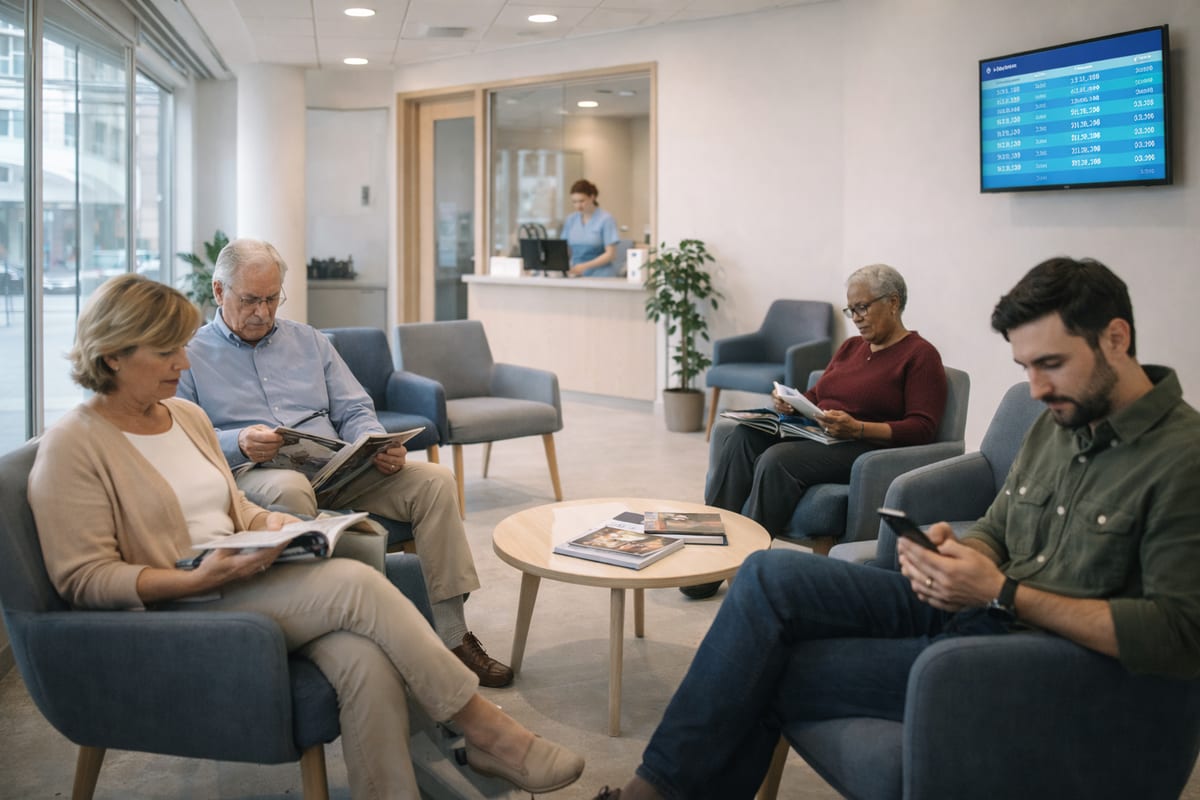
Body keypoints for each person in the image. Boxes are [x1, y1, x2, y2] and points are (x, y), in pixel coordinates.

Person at [590, 256, 1200, 799]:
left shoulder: (1182, 459)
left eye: (1051, 365)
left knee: (769, 666)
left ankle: (654, 793)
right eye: (1025, 367)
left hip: (1029, 653)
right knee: (770, 573)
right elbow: (998, 525)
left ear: (1116, 338)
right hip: (979, 608)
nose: (1035, 389)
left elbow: (1178, 634)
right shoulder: (1056, 424)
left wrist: (1000, 590)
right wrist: (956, 552)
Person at [27, 274, 585, 799]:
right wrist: (194, 576)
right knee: (355, 583)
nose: (183, 359)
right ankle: (488, 733)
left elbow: (235, 504)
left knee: (363, 659)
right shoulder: (74, 445)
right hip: (185, 607)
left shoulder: (182, 417)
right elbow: (85, 580)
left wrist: (272, 525)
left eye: (181, 345)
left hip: (242, 573)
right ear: (112, 355)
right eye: (167, 350)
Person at [176, 238, 512, 687]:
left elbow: (355, 408)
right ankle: (340, 634)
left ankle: (452, 636)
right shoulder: (188, 356)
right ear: (219, 293)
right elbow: (181, 438)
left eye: (272, 299)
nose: (263, 311)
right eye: (250, 300)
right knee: (290, 490)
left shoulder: (310, 341)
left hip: (337, 469)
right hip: (260, 478)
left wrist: (372, 443)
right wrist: (238, 441)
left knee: (433, 481)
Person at [706, 263, 948, 537]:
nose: (856, 318)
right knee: (743, 437)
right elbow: (817, 395)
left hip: (862, 446)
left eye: (862, 307)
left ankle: (747, 556)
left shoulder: (920, 355)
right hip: (819, 434)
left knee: (777, 460)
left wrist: (858, 428)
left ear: (893, 303)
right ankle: (709, 543)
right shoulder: (850, 347)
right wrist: (792, 402)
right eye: (851, 310)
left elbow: (922, 428)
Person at [562, 179, 620, 277]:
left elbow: (611, 255)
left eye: (581, 201)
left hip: (602, 274)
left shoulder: (606, 219)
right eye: (574, 202)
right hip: (576, 273)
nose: (578, 205)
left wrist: (584, 266)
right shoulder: (571, 220)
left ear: (592, 197)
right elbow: (565, 249)